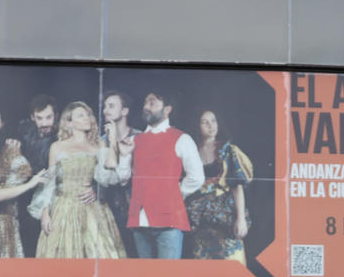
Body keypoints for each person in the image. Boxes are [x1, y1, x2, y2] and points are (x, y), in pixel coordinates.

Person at [35, 100, 126, 260]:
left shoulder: (99, 144)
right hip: (63, 208)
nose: (87, 118)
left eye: (88, 115)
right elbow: (49, 183)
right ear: (69, 123)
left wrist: (112, 142)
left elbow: (110, 174)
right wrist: (44, 213)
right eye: (80, 115)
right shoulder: (57, 147)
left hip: (93, 209)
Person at [127, 90, 203, 259]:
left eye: (152, 103)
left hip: (169, 222)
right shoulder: (134, 140)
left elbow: (197, 177)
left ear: (167, 109)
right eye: (145, 103)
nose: (146, 107)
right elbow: (125, 177)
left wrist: (175, 195)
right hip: (139, 220)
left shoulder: (182, 138)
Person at [188, 110, 252, 263]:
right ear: (197, 126)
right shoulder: (191, 151)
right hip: (201, 220)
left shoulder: (228, 150)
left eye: (213, 120)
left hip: (225, 217)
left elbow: (237, 186)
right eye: (205, 122)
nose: (211, 125)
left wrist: (241, 218)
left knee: (231, 266)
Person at [93, 91, 139, 258]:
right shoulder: (102, 140)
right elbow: (101, 176)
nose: (105, 110)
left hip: (135, 209)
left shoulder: (140, 137)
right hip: (109, 209)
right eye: (104, 106)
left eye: (111, 106)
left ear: (125, 111)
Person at [15, 93, 59, 255]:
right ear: (32, 117)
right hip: (22, 194)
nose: (44, 123)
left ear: (56, 116)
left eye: (49, 117)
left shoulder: (60, 138)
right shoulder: (23, 131)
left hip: (47, 197)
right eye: (39, 118)